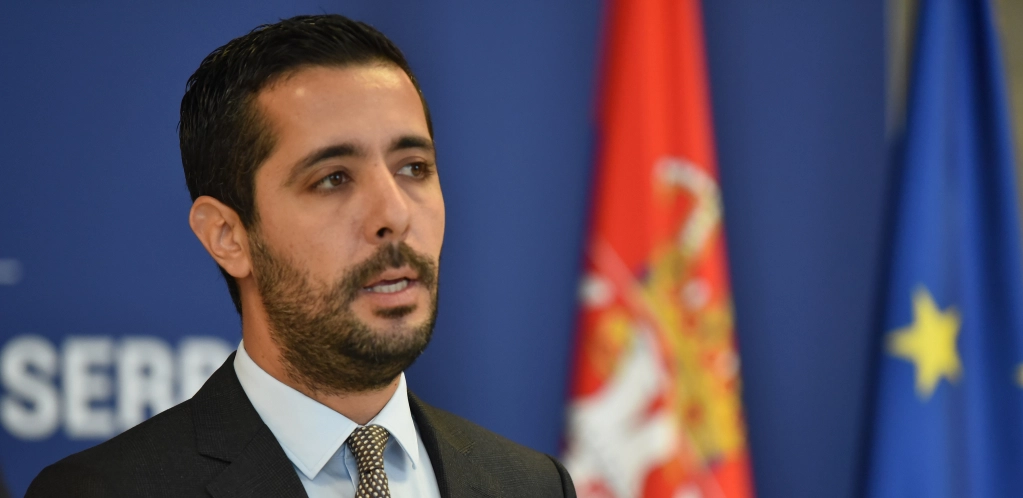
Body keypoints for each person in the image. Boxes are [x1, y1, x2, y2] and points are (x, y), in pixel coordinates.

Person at [26, 14, 575, 498]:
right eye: (333, 178)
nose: (394, 213)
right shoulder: (104, 491)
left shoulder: (532, 485)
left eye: (414, 168)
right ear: (227, 235)